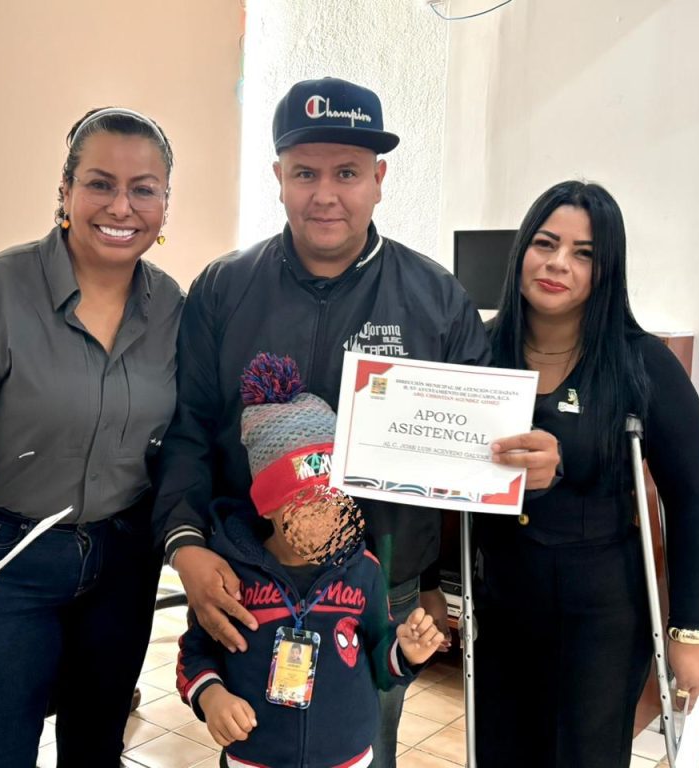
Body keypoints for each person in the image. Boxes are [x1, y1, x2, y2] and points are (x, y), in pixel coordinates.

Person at [153, 76, 560, 767]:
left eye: (346, 172)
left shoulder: (437, 300)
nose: (325, 194)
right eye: (304, 173)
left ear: (378, 179)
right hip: (246, 581)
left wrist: (529, 466)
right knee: (250, 742)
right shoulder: (224, 288)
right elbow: (187, 431)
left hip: (380, 587)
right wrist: (186, 546)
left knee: (364, 747)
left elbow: (483, 449)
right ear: (278, 178)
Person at [0, 107, 183, 768]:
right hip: (4, 563)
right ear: (65, 190)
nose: (121, 206)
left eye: (144, 189)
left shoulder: (172, 306)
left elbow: (181, 441)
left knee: (96, 751)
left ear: (165, 203)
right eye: (100, 183)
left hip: (122, 564)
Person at [473, 180, 699, 767]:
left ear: (606, 271)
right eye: (545, 243)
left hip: (601, 611)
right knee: (502, 752)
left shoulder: (643, 363)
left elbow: (689, 503)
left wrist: (690, 632)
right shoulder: (477, 352)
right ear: (521, 251)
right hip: (503, 600)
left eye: (584, 253)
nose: (558, 263)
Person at [177, 353, 444, 768]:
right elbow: (194, 653)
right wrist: (211, 696)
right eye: (302, 500)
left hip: (348, 759)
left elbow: (381, 660)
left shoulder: (365, 570)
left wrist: (405, 651)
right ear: (267, 506)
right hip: (254, 759)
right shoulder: (228, 576)